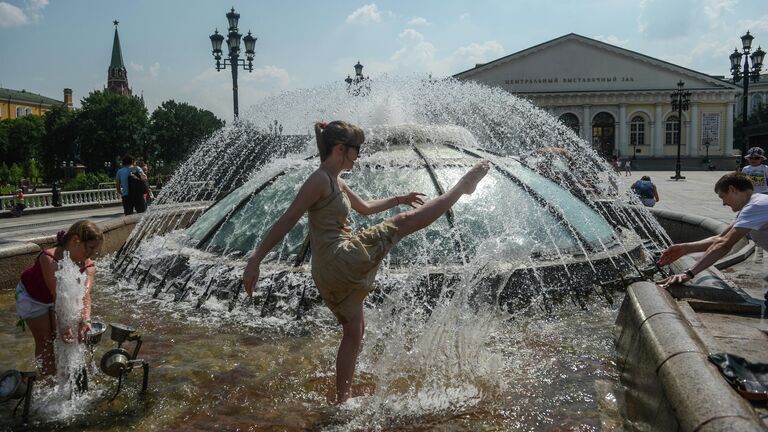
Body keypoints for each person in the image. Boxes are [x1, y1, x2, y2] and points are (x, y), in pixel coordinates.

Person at [242, 120, 489, 404]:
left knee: (355, 330)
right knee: (401, 224)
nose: (359, 156)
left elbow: (366, 209)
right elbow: (287, 218)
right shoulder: (319, 180)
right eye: (356, 150)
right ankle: (461, 188)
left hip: (330, 268)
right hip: (339, 259)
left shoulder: (336, 180)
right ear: (340, 149)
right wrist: (255, 259)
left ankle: (342, 400)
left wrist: (400, 197)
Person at [14, 220, 103, 377]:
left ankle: (61, 377)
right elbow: (57, 294)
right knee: (45, 339)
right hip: (33, 297)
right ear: (76, 241)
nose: (93, 253)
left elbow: (85, 294)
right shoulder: (49, 258)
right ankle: (46, 382)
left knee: (63, 338)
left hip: (55, 298)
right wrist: (64, 324)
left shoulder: (88, 265)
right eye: (91, 248)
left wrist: (85, 321)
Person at [657, 173, 767, 287]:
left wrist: (689, 274)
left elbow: (724, 244)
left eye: (722, 197)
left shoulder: (755, 206)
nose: (724, 203)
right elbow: (719, 238)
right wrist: (685, 248)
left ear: (732, 190)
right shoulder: (754, 204)